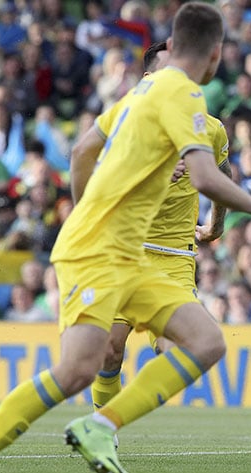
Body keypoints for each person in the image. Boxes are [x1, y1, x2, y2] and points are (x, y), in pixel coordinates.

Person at [0, 4, 251, 473]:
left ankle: (101, 425)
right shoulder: (185, 96)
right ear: (217, 56)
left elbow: (81, 150)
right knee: (79, 369)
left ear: (173, 46)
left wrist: (83, 210)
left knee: (205, 341)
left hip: (134, 252)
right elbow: (205, 178)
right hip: (102, 249)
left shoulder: (145, 91)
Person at [84, 41, 231, 424]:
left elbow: (221, 176)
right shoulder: (127, 124)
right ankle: (103, 428)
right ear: (149, 79)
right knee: (110, 351)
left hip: (175, 259)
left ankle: (107, 422)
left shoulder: (210, 130)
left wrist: (216, 224)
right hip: (126, 252)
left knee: (178, 351)